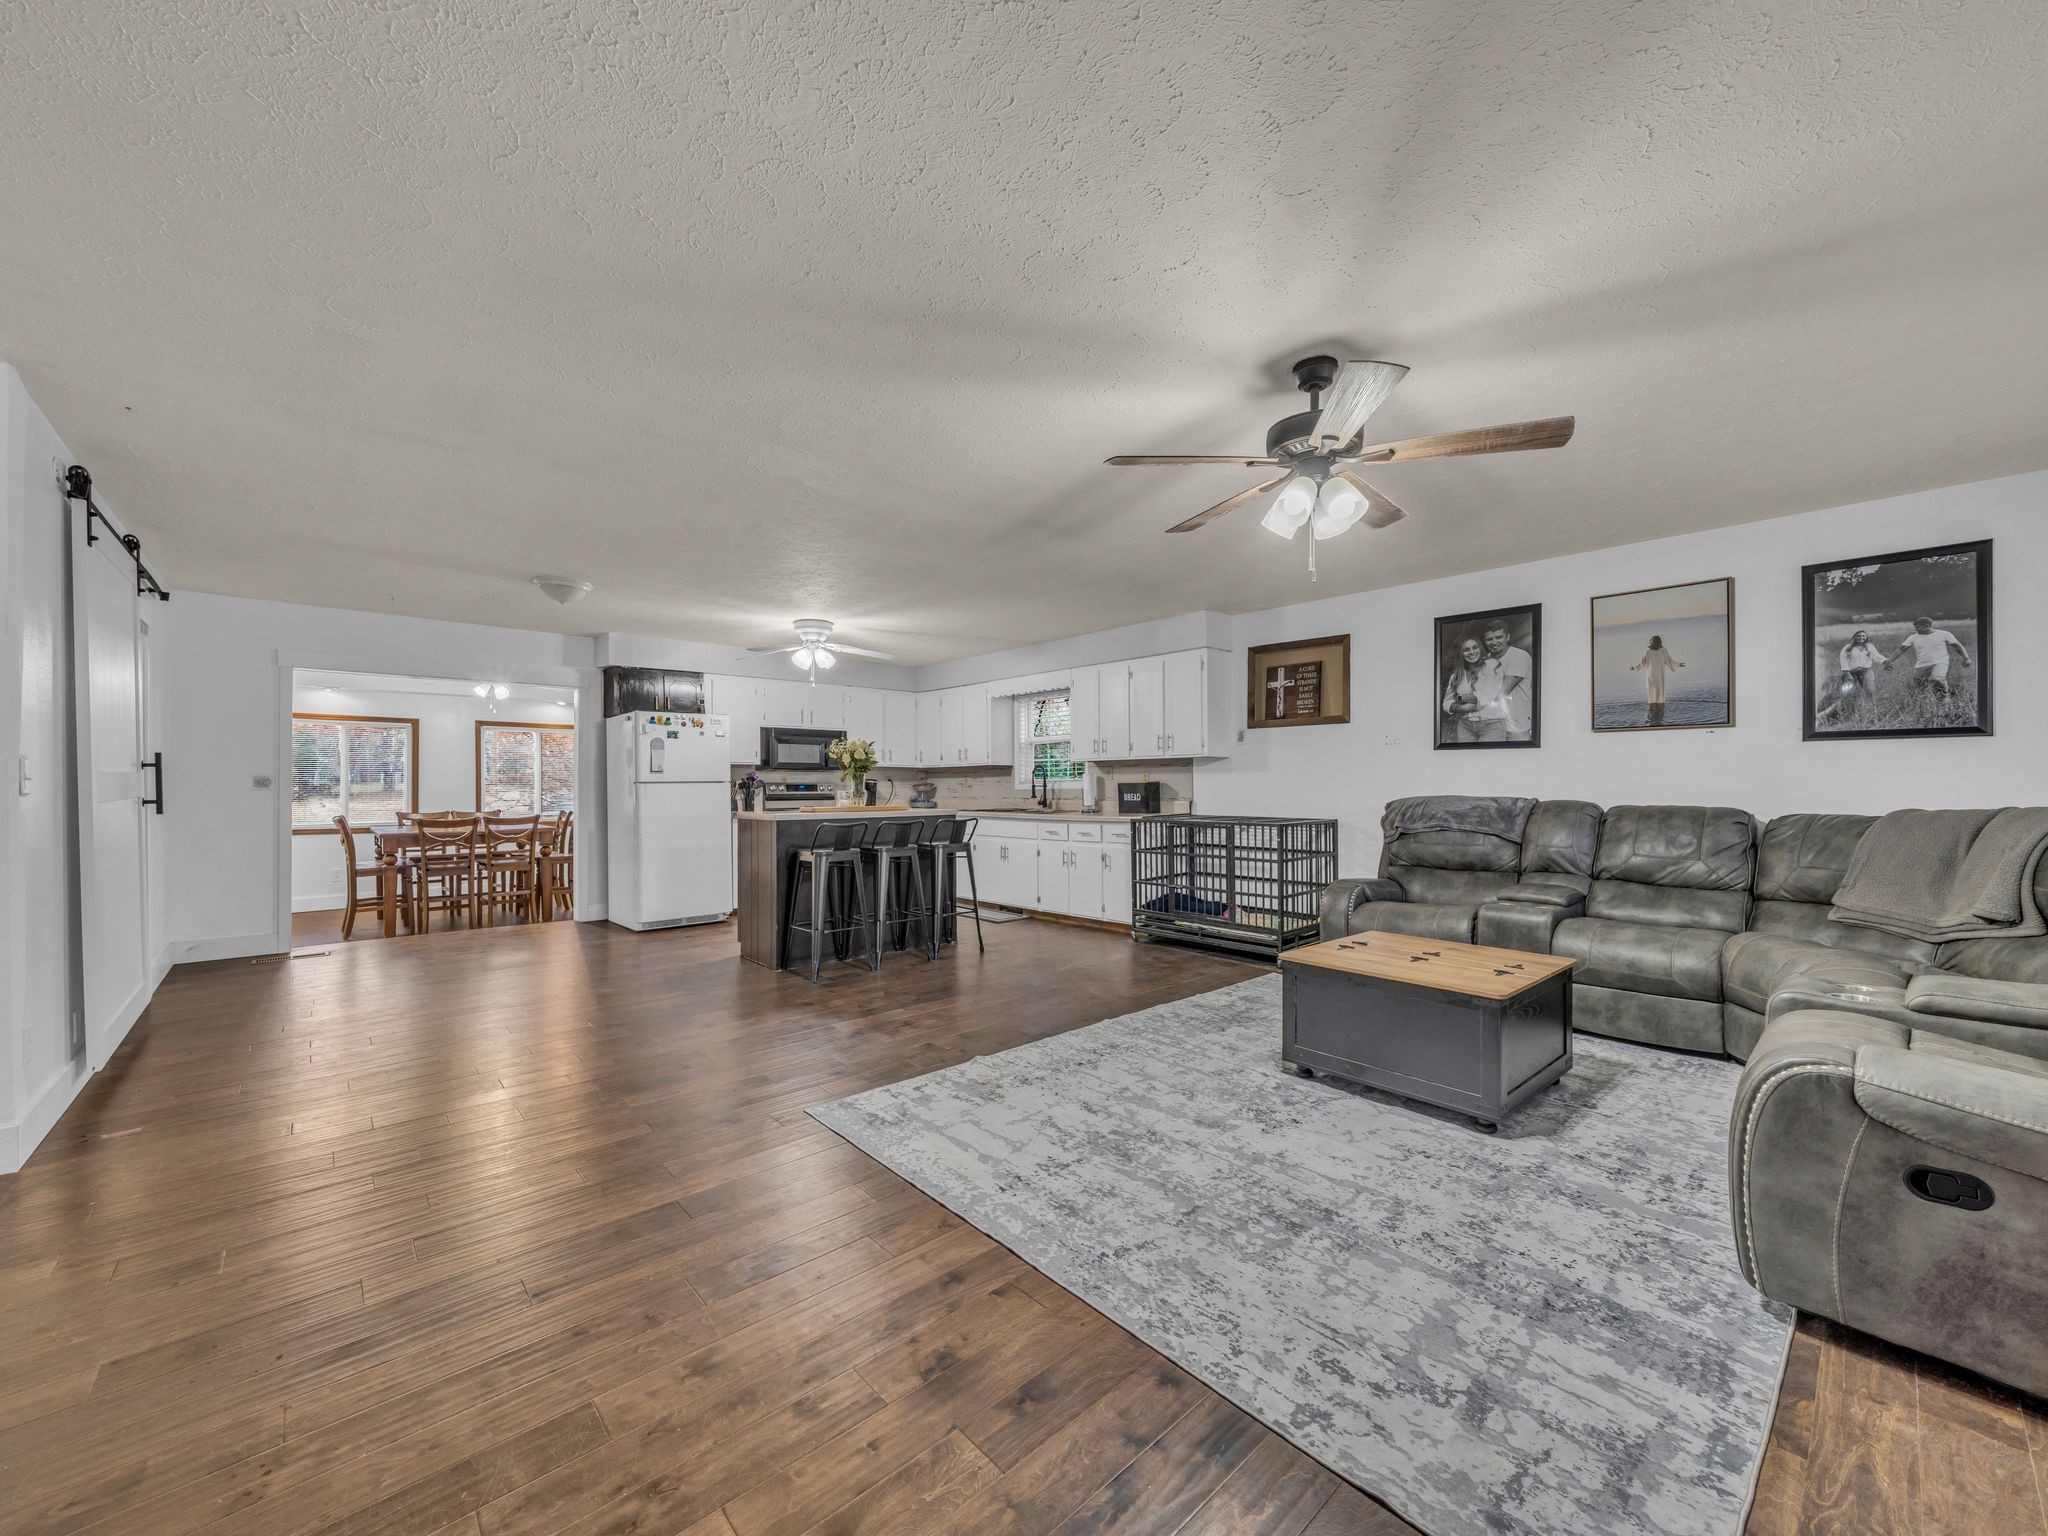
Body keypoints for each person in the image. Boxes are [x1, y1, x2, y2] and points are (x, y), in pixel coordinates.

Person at [1884, 616, 1971, 721]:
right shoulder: (1913, 637)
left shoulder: (1944, 634)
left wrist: (1966, 658)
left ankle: (1946, 696)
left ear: (1927, 626)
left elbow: (1957, 646)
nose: (1916, 630)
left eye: (1918, 627)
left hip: (1940, 662)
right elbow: (1901, 649)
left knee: (1937, 678)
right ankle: (1926, 711)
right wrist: (1889, 661)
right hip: (1921, 665)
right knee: (1919, 690)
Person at [1441, 635, 1503, 743]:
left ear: (1480, 648)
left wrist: (1460, 698)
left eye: (1475, 647)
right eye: (1466, 649)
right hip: (1465, 726)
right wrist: (1461, 709)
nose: (1472, 652)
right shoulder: (1457, 675)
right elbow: (1446, 703)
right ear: (1461, 653)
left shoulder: (1491, 665)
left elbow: (1487, 697)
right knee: (1465, 759)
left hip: (1491, 724)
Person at [1481, 621, 1534, 741]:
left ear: (1508, 637)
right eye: (1489, 639)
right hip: (1491, 725)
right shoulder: (1484, 660)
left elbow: (1501, 692)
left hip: (1516, 725)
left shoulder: (1519, 656)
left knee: (1519, 759)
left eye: (1499, 637)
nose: (1494, 642)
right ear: (1484, 641)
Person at [1821, 629, 1889, 722]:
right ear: (1854, 637)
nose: (1861, 638)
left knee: (1870, 691)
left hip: (1866, 671)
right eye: (1859, 636)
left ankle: (1872, 713)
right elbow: (1843, 660)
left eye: (1863, 636)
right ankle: (1846, 715)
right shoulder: (1848, 647)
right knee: (1848, 693)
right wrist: (1847, 673)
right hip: (1851, 672)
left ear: (1866, 638)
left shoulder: (1869, 646)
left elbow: (1876, 656)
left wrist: (1886, 662)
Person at [1630, 634, 1685, 721]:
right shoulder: (1663, 650)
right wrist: (1678, 665)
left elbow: (1641, 663)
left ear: (1651, 642)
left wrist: (1634, 668)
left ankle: (1652, 709)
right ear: (1660, 642)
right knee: (1660, 690)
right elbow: (1669, 661)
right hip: (1660, 674)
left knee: (1652, 690)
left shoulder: (1647, 651)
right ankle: (1660, 710)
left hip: (1651, 675)